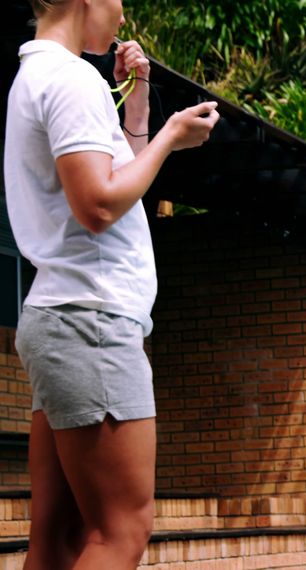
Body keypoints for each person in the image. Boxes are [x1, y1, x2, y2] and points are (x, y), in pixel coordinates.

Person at [4, 1, 219, 568]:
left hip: (65, 316)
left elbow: (113, 188)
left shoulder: (46, 74)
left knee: (59, 536)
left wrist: (141, 110)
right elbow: (99, 205)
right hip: (91, 321)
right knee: (123, 528)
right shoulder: (70, 78)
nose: (123, 15)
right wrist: (172, 136)